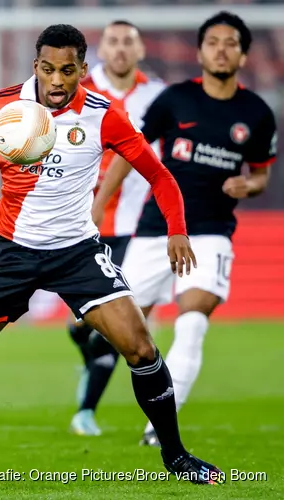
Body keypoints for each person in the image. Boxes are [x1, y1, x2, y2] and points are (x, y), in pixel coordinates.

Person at [0, 24, 224, 484]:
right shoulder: (4, 106)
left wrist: (178, 230)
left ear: (82, 69)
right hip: (10, 253)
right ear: (34, 66)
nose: (56, 81)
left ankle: (175, 456)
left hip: (76, 252)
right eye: (47, 69)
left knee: (141, 348)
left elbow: (159, 175)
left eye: (67, 71)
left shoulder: (104, 114)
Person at [93, 11, 277, 447]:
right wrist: (98, 205)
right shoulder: (174, 99)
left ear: (243, 54)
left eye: (230, 42)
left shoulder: (256, 113)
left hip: (210, 232)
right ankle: (113, 388)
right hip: (156, 230)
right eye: (213, 42)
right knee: (117, 330)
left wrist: (247, 185)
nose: (221, 49)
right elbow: (130, 152)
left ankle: (158, 429)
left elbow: (261, 175)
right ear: (199, 52)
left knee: (191, 322)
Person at [67, 20, 166, 436]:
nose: (121, 49)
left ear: (141, 50)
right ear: (101, 50)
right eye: (113, 41)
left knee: (124, 324)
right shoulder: (77, 92)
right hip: (78, 223)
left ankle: (85, 412)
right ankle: (91, 355)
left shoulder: (159, 96)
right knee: (84, 326)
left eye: (129, 41)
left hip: (139, 227)